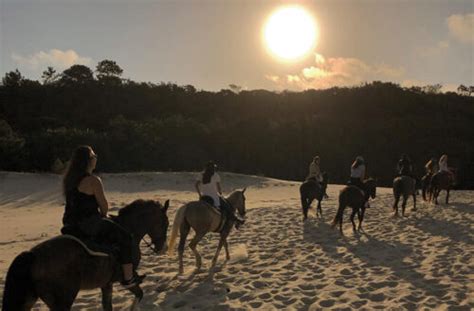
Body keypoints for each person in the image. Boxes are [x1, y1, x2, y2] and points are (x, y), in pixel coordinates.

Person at [62, 145, 139, 288]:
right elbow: (104, 208)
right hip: (89, 225)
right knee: (125, 238)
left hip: (69, 225)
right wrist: (104, 215)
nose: (96, 158)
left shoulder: (70, 180)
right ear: (88, 161)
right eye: (94, 156)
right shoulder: (93, 181)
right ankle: (128, 279)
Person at [195, 161, 244, 227]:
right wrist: (220, 193)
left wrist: (200, 194)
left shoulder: (201, 174)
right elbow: (218, 187)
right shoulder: (215, 175)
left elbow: (196, 185)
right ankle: (236, 219)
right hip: (214, 196)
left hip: (204, 196)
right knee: (227, 207)